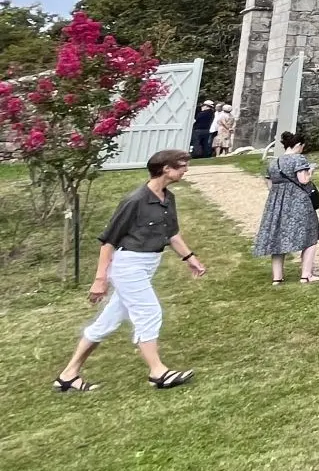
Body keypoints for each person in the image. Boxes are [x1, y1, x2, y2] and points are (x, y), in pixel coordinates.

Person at [54, 149, 207, 392]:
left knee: (107, 322)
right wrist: (100, 279)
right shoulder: (134, 200)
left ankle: (68, 375)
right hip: (128, 266)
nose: (185, 170)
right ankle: (158, 372)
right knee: (149, 312)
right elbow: (108, 241)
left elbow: (172, 233)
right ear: (166, 169)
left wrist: (190, 258)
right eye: (182, 166)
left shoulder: (168, 198)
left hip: (147, 265)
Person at [252, 132, 319, 284]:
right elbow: (303, 180)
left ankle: (277, 278)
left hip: (277, 204)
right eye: (302, 147)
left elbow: (270, 185)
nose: (302, 150)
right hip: (299, 202)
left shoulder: (274, 162)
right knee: (309, 236)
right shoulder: (298, 159)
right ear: (298, 145)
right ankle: (306, 275)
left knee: (278, 239)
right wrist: (310, 171)